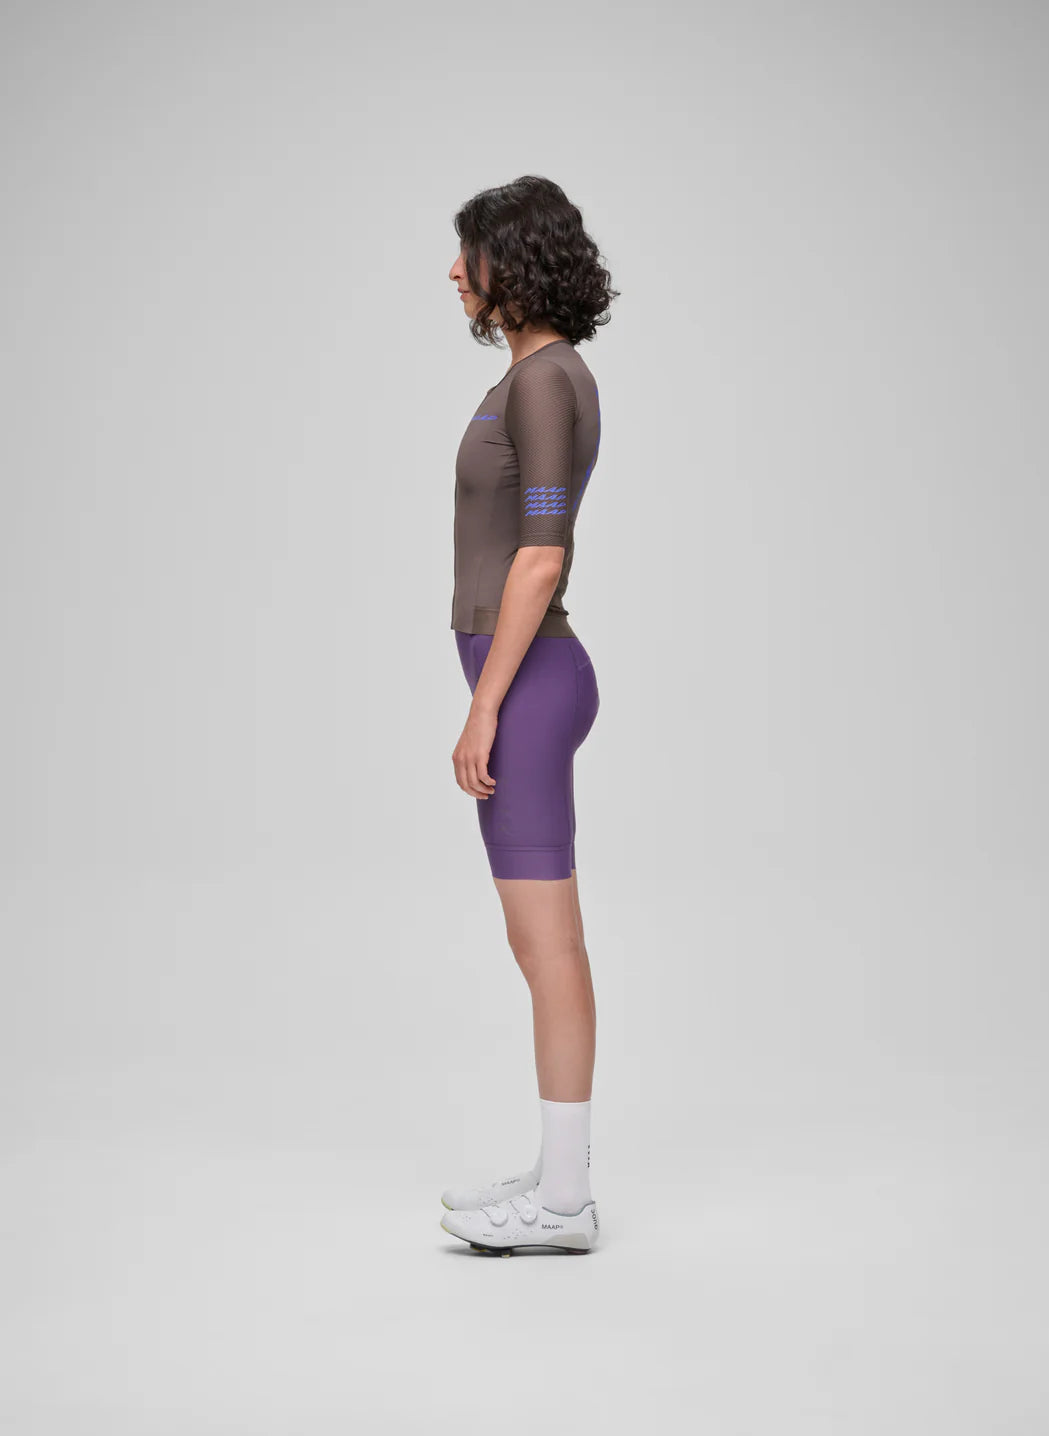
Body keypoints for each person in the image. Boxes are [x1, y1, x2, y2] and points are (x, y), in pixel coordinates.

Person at [439, 176, 619, 1255]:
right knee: (536, 937)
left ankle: (563, 1201)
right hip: (525, 680)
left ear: (512, 262)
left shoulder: (546, 380)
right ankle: (559, 1175)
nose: (454, 272)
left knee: (549, 943)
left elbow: (542, 555)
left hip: (531, 685)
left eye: (468, 254)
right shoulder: (534, 374)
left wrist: (485, 708)